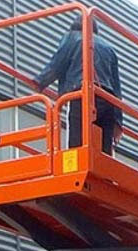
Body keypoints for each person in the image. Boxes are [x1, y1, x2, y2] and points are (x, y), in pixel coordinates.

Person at [34, 18, 123, 154]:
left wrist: (39, 82)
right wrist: (118, 121)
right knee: (104, 150)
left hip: (81, 95)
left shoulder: (73, 38)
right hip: (107, 99)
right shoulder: (109, 49)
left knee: (77, 145)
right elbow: (116, 88)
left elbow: (57, 64)